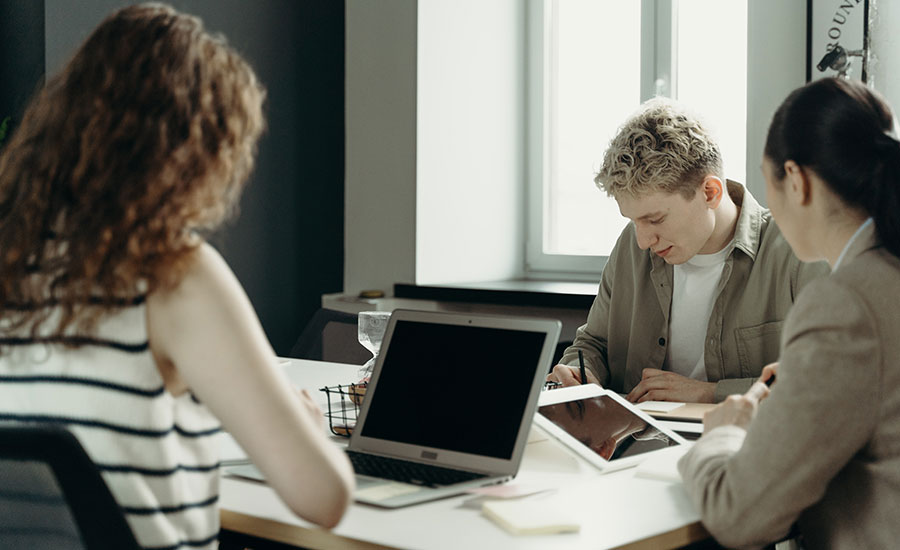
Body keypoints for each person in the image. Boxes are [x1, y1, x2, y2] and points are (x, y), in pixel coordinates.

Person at [0, 4, 354, 549]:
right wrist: (307, 425)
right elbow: (324, 497)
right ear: (193, 154)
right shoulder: (171, 275)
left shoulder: (12, 259)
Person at [677, 77, 900, 549]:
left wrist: (722, 435)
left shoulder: (844, 305)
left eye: (767, 181)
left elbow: (740, 515)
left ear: (796, 180)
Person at [548, 98, 827, 403]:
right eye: (633, 221)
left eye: (655, 219)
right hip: (635, 432)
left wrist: (709, 393)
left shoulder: (797, 251)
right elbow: (594, 343)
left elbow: (830, 376)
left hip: (742, 432)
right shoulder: (632, 244)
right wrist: (577, 371)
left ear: (710, 192)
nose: (643, 241)